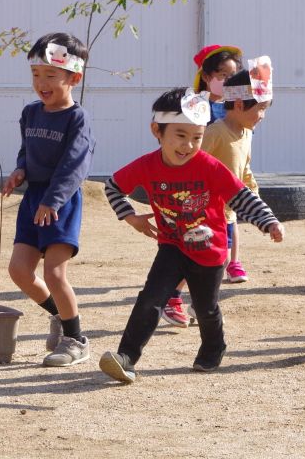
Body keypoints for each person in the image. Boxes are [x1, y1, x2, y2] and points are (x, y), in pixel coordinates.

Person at [100, 87, 284, 384]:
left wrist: (269, 222)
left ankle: (214, 346)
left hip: (210, 252)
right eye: (180, 135)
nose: (188, 145)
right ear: (156, 131)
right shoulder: (147, 165)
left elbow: (241, 197)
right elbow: (112, 186)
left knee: (204, 307)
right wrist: (130, 217)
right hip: (171, 246)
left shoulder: (210, 167)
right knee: (151, 300)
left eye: (197, 137)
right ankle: (126, 358)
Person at [2, 33, 95, 367]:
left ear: (74, 78)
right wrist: (20, 171)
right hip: (33, 199)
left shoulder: (77, 118)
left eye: (50, 75)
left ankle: (76, 340)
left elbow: (75, 165)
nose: (41, 82)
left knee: (55, 275)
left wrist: (53, 201)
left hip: (61, 202)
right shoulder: (30, 113)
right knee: (19, 270)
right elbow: (27, 151)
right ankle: (60, 316)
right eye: (35, 74)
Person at [162, 44, 243, 327]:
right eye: (222, 74)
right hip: (199, 188)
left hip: (223, 190)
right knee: (195, 246)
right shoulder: (196, 106)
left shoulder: (235, 109)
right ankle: (173, 297)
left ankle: (201, 301)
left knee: (218, 249)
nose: (227, 81)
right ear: (207, 76)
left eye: (233, 76)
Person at [202, 58, 273, 285]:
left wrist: (254, 196)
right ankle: (174, 297)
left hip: (228, 210)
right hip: (206, 210)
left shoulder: (247, 134)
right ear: (240, 105)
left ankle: (199, 303)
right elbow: (193, 163)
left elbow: (245, 170)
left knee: (219, 260)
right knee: (204, 260)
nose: (262, 116)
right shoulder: (215, 133)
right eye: (260, 109)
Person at [193, 44, 243, 123]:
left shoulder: (236, 105)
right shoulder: (194, 105)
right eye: (224, 75)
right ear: (206, 77)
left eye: (232, 75)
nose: (229, 80)